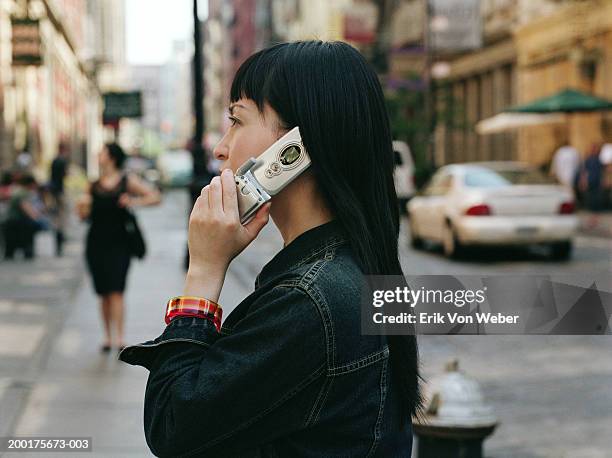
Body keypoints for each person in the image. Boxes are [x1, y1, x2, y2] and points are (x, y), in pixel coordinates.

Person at [119, 41, 421, 457]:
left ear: (293, 149)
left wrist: (203, 271)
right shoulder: (353, 267)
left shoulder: (308, 301)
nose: (220, 147)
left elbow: (174, 426)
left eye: (237, 121)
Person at [77, 143, 161, 352]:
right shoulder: (93, 184)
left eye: (102, 152)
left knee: (117, 290)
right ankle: (107, 336)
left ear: (112, 157)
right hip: (96, 243)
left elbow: (155, 197)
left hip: (120, 243)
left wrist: (132, 201)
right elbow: (83, 216)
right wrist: (81, 206)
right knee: (103, 292)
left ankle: (120, 337)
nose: (99, 155)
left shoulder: (126, 180)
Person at [3, 174, 47, 259]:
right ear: (31, 184)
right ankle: (28, 251)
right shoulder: (22, 193)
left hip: (11, 221)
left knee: (10, 250)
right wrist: (37, 217)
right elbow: (27, 208)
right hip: (17, 222)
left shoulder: (18, 191)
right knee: (38, 225)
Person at [49, 142, 69, 256]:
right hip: (59, 191)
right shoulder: (62, 161)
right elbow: (65, 175)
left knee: (57, 215)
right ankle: (60, 234)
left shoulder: (54, 160)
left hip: (54, 190)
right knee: (61, 215)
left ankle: (58, 233)